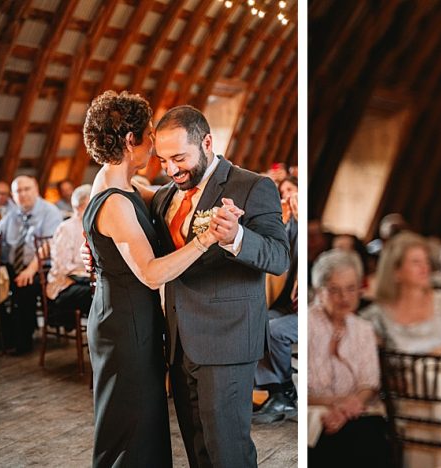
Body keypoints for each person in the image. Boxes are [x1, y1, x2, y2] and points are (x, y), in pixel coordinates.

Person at [81, 90, 221, 466]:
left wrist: (212, 178)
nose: (154, 149)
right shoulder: (114, 200)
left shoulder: (122, 186)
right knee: (131, 427)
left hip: (126, 317)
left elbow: (167, 197)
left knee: (139, 423)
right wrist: (206, 240)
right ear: (130, 141)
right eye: (149, 139)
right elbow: (149, 272)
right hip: (125, 327)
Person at [151, 105, 290, 468]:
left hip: (228, 341)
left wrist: (237, 237)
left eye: (179, 157)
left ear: (207, 142)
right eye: (163, 160)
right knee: (197, 448)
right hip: (180, 340)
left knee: (227, 451)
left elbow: (279, 257)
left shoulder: (252, 186)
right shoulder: (166, 196)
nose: (171, 169)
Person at [308, 250, 391, 467]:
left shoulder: (363, 329)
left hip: (355, 414)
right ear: (319, 291)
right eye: (335, 290)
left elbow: (369, 382)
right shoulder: (307, 325)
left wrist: (350, 406)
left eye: (351, 288)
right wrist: (337, 405)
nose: (344, 298)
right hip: (316, 414)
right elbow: (302, 390)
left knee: (370, 434)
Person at [361, 231, 441, 355]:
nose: (425, 268)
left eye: (426, 261)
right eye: (416, 262)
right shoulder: (376, 316)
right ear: (396, 271)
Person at [0, 176, 62, 354]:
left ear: (36, 190)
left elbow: (48, 245)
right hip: (13, 267)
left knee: (24, 287)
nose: (23, 194)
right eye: (18, 191)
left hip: (42, 268)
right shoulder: (13, 214)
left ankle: (22, 342)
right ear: (13, 196)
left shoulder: (50, 212)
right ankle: (3, 337)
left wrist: (30, 270)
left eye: (27, 189)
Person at [252, 177, 300, 424]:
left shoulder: (308, 229)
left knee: (275, 330)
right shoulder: (291, 224)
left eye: (291, 191)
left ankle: (284, 391)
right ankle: (273, 391)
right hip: (289, 306)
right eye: (283, 193)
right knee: (257, 321)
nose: (287, 197)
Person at [44, 184, 94, 330]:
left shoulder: (92, 225)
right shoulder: (66, 228)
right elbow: (62, 266)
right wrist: (87, 272)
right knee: (95, 293)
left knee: (105, 289)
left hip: (84, 280)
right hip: (63, 285)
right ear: (79, 207)